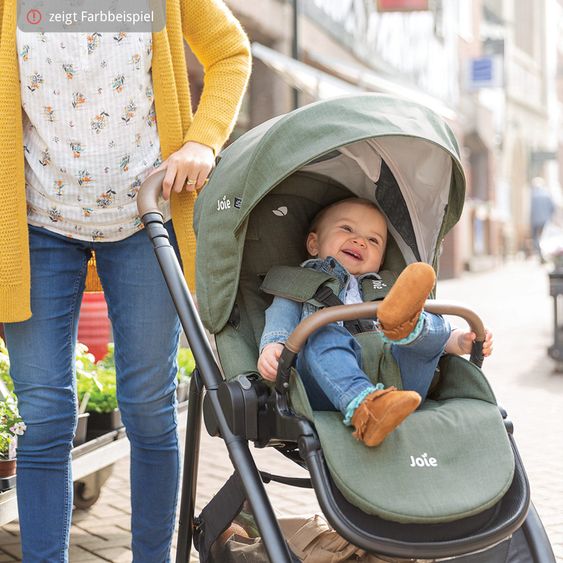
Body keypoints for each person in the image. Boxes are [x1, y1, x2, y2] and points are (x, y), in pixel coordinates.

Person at [0, 1, 251, 561]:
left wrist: (203, 140)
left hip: (146, 220)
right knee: (44, 416)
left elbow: (231, 53)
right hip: (37, 223)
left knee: (147, 407)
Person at [258, 199, 492, 447]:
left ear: (380, 261)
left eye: (373, 240)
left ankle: (407, 328)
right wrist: (273, 347)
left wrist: (461, 342)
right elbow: (280, 317)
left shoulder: (388, 288)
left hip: (402, 384)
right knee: (321, 333)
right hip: (330, 386)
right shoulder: (298, 283)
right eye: (347, 229)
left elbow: (433, 348)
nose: (360, 241)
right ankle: (366, 409)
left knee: (426, 320)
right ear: (314, 244)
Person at [530, 177, 555, 263]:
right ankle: (545, 255)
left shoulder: (534, 196)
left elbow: (532, 210)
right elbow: (552, 207)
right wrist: (549, 216)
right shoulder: (547, 194)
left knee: (537, 238)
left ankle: (540, 254)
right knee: (545, 237)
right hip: (545, 220)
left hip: (536, 221)